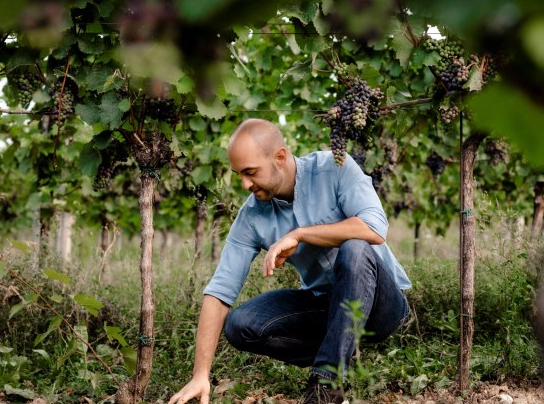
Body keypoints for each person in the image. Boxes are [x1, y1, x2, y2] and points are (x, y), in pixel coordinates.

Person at [168, 118, 411, 404]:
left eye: (251, 172)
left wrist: (300, 234)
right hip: (325, 304)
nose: (245, 184)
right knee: (240, 324)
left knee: (355, 248)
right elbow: (220, 290)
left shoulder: (334, 167)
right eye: (238, 175)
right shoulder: (252, 217)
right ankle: (339, 354)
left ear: (280, 157)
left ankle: (326, 384)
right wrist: (200, 374)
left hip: (380, 307)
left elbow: (373, 229)